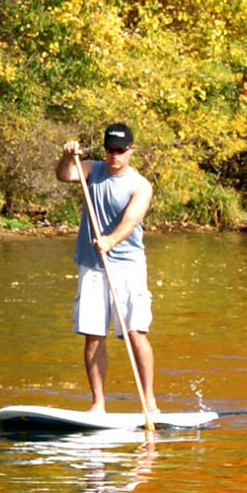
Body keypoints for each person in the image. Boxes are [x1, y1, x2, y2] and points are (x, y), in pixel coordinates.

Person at [55, 123, 159, 414]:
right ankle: (98, 404)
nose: (114, 156)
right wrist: (67, 155)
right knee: (93, 335)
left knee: (135, 332)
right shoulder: (91, 169)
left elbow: (131, 220)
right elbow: (65, 175)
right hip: (92, 265)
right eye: (110, 150)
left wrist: (110, 239)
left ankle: (149, 401)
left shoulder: (141, 185)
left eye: (120, 151)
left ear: (131, 151)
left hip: (128, 266)